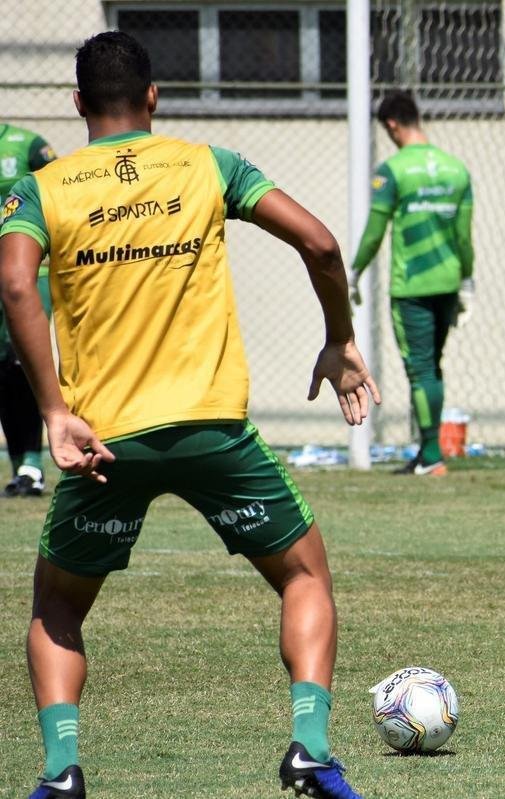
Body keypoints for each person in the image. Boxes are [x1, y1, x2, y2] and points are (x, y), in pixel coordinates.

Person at [0, 32, 381, 798]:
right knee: (305, 576)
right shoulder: (210, 165)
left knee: (59, 603)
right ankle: (308, 746)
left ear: (78, 105)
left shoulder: (44, 188)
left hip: (103, 439)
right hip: (214, 431)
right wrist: (339, 339)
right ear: (154, 98)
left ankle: (61, 769)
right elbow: (321, 242)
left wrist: (53, 411)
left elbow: (14, 284)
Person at [349, 89, 474, 477]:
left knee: (420, 371)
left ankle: (432, 457)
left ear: (390, 125)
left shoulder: (393, 171)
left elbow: (374, 233)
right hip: (448, 282)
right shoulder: (456, 169)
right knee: (433, 367)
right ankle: (428, 452)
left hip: (412, 287)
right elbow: (464, 236)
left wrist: (354, 272)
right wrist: (468, 281)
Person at [0, 122, 55, 496]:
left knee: (24, 360)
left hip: (30, 272)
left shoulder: (28, 145)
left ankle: (34, 463)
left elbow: (63, 193)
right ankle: (20, 465)